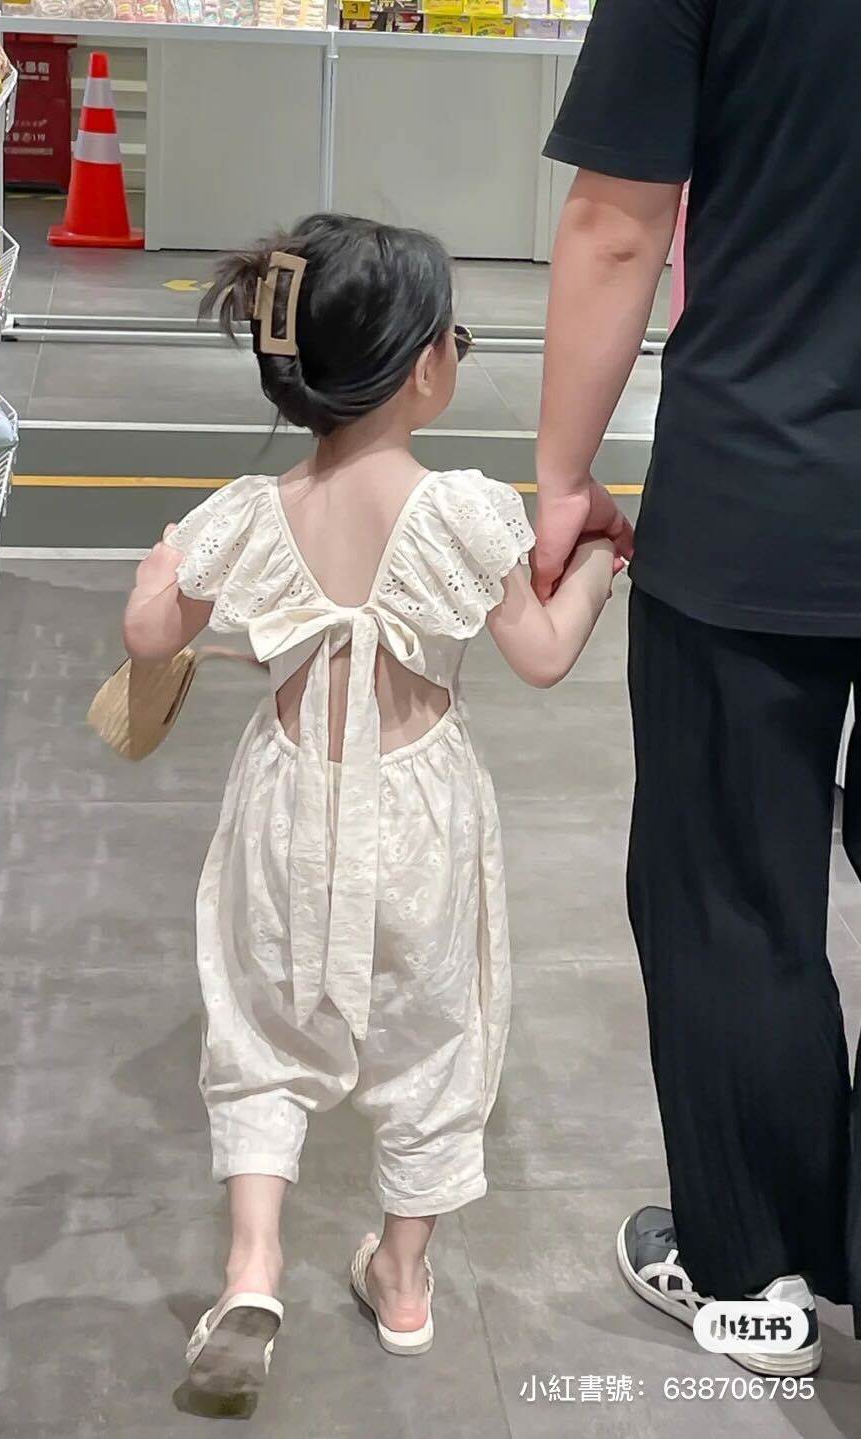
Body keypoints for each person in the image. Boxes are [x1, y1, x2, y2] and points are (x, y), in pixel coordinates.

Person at [123, 213, 615, 1399]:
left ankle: (252, 1267)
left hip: (287, 801)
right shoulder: (461, 510)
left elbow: (149, 632)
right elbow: (544, 652)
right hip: (421, 812)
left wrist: (156, 577)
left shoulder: (252, 508)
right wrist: (603, 557)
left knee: (258, 1029)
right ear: (420, 366)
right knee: (436, 1038)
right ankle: (401, 1275)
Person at [536, 0, 861, 1380]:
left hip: (760, 486)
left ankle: (757, 1273)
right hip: (766, 487)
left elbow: (620, 226)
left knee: (730, 888)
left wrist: (562, 476)